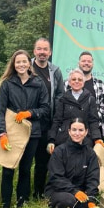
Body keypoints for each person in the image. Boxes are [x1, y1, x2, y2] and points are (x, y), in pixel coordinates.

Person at [0, 49, 50, 208]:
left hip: (31, 132)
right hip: (11, 133)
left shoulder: (38, 83)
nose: (21, 64)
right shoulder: (7, 84)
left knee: (25, 169)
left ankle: (21, 204)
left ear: (29, 63)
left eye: (24, 61)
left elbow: (46, 108)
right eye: (18, 62)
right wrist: (1, 133)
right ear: (13, 64)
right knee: (8, 170)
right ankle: (5, 207)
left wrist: (30, 113)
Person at [45, 118, 101, 208]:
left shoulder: (90, 154)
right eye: (74, 130)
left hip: (81, 193)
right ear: (69, 131)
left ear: (86, 132)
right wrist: (74, 191)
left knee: (88, 206)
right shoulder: (59, 151)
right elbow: (56, 178)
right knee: (69, 200)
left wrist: (91, 200)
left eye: (81, 130)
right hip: (58, 191)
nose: (77, 133)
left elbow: (93, 179)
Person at [31, 37, 64, 199]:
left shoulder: (55, 71)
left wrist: (56, 117)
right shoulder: (26, 67)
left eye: (45, 49)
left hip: (47, 122)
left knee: (43, 160)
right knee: (24, 159)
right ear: (34, 51)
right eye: (39, 49)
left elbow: (60, 94)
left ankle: (39, 192)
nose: (42, 52)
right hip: (27, 121)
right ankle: (22, 194)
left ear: (50, 52)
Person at [48, 69, 103, 151]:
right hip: (65, 139)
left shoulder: (90, 99)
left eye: (80, 79)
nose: (76, 81)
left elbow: (93, 121)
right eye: (74, 79)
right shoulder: (63, 99)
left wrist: (97, 138)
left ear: (83, 83)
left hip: (85, 139)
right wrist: (51, 140)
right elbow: (57, 120)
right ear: (69, 82)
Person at [74, 51, 104, 125]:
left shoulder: (100, 84)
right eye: (83, 61)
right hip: (74, 128)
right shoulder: (68, 84)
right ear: (78, 63)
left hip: (94, 126)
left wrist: (94, 119)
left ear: (92, 64)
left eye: (89, 61)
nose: (86, 63)